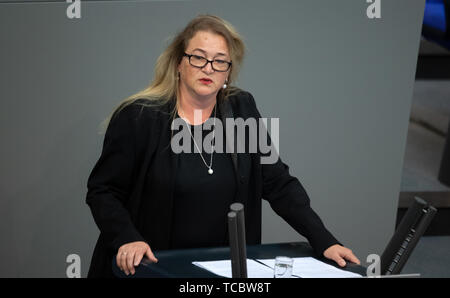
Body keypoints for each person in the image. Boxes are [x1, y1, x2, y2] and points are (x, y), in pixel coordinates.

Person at [86, 14, 360, 278]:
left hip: (221, 270)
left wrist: (323, 240)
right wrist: (127, 239)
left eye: (220, 61)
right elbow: (103, 190)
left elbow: (278, 183)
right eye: (199, 57)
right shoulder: (139, 116)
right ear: (179, 63)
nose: (208, 68)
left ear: (228, 71)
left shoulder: (241, 108)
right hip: (154, 267)